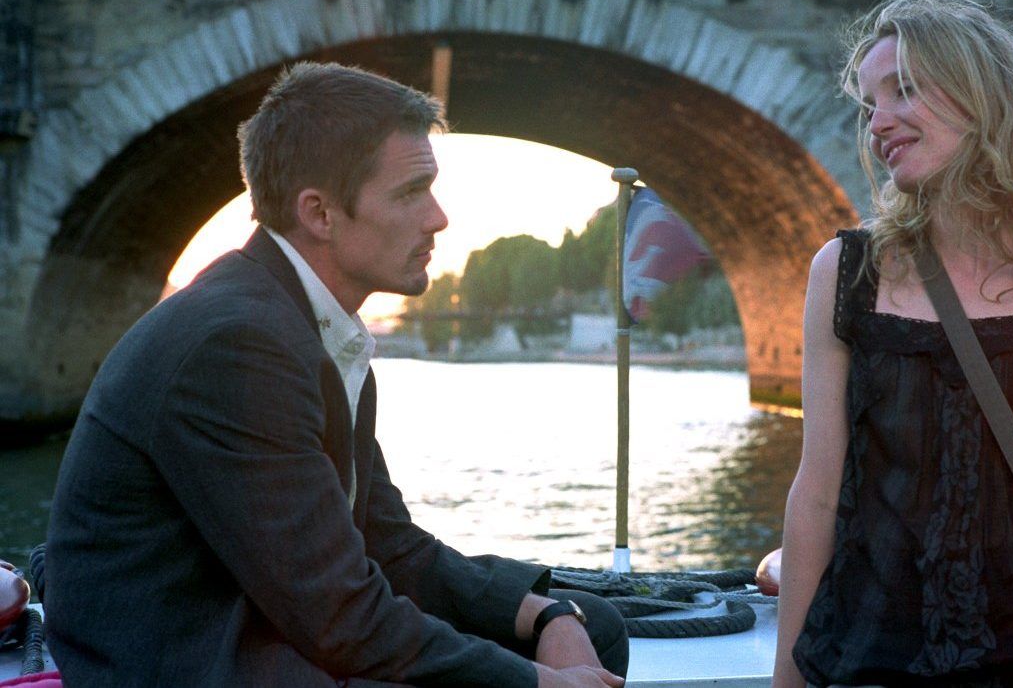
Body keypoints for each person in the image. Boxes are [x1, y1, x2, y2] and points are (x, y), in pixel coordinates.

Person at [44, 62, 627, 688]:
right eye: (410, 193)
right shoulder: (237, 346)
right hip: (191, 656)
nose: (438, 218)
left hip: (265, 621)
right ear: (320, 214)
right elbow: (340, 617)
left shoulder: (308, 330)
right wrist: (537, 684)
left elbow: (388, 545)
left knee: (593, 626)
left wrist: (544, 613)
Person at [774, 0, 1013, 686]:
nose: (878, 122)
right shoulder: (845, 271)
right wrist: (786, 677)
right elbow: (818, 494)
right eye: (868, 104)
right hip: (872, 649)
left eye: (905, 91)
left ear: (982, 97)